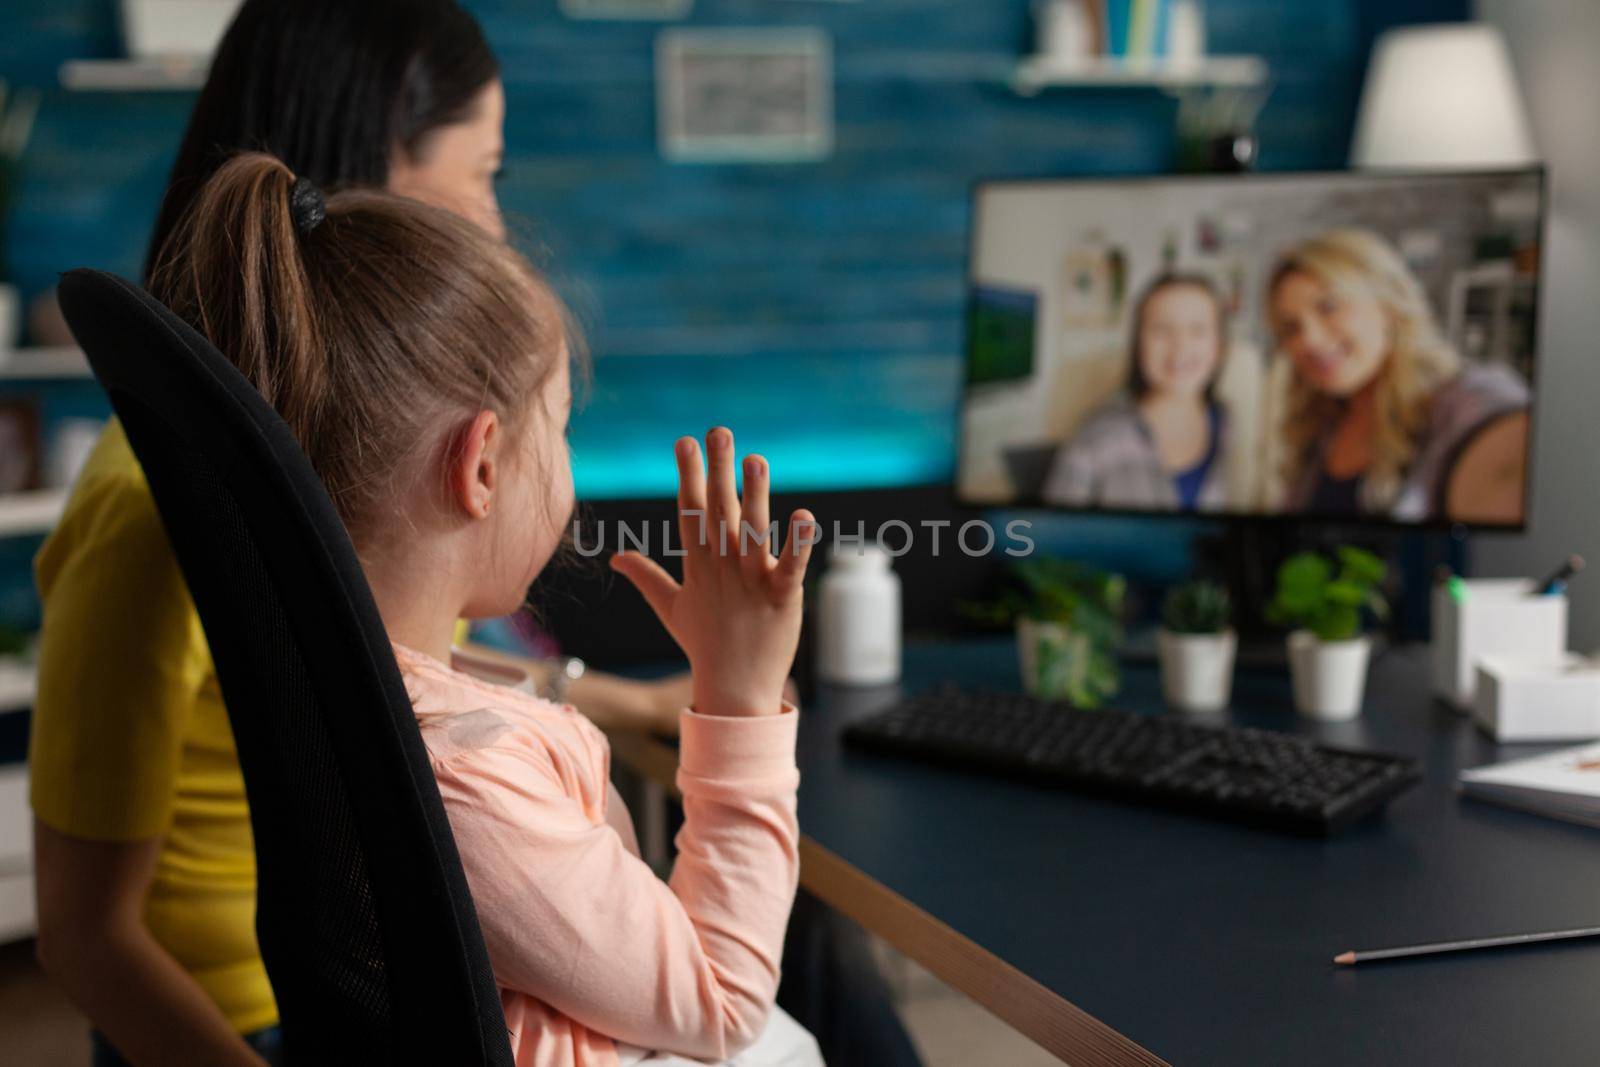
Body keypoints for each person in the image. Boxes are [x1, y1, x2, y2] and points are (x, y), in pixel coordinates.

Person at [28, 4, 683, 1065]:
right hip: (244, 1026)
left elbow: (371, 683)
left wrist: (601, 699)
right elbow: (86, 932)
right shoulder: (149, 503)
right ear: (373, 167)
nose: (494, 221)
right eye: (486, 171)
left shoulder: (294, 465)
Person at [154, 150, 822, 1065]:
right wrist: (740, 698)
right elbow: (718, 996)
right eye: (561, 426)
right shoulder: (467, 783)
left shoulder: (354, 683)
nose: (570, 462)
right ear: (481, 467)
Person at [1266, 229, 1530, 521]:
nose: (1309, 340)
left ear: (1388, 305)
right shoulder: (1320, 422)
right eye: (1291, 328)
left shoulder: (1460, 399)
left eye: (1328, 307)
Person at [1042, 272, 1233, 510]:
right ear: (1139, 345)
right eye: (1162, 329)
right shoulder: (1096, 438)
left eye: (1198, 330)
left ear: (1220, 347)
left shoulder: (1237, 431)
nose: (1180, 346)